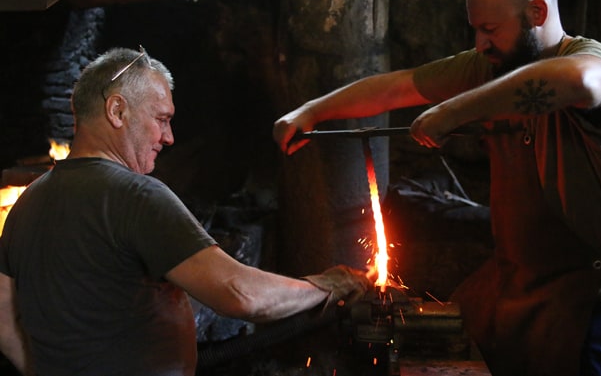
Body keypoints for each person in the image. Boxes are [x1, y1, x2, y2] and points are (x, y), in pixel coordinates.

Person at [273, 0, 601, 376]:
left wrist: (453, 111)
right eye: (476, 31)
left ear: (537, 11)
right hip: (519, 276)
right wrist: (312, 111)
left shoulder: (599, 62)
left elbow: (577, 80)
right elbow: (396, 88)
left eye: (490, 29)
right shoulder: (492, 65)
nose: (480, 44)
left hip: (586, 292)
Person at [0, 47, 372, 376]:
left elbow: (3, 316)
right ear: (117, 110)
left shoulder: (27, 201)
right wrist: (325, 286)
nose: (169, 136)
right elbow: (239, 293)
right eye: (161, 119)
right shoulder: (136, 196)